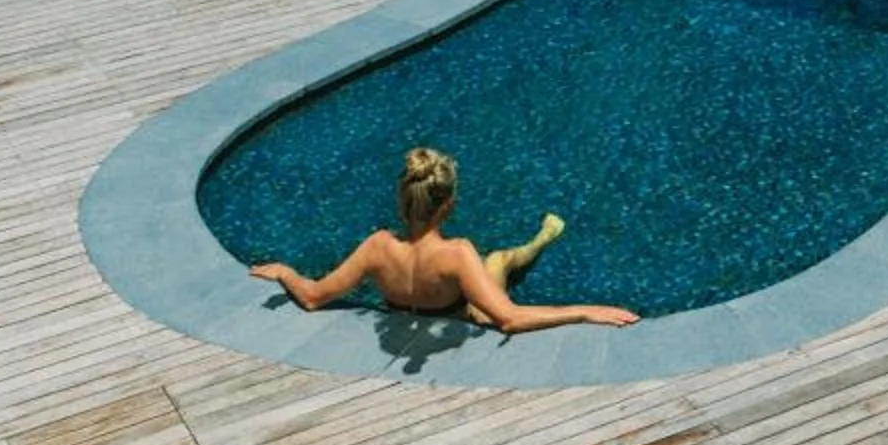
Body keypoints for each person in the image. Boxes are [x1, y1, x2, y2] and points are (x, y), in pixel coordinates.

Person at [250, 146, 640, 334]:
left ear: (403, 200)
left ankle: (539, 239)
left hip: (407, 312)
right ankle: (543, 238)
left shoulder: (377, 247)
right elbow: (508, 319)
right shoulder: (456, 254)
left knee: (491, 266)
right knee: (500, 260)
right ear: (448, 205)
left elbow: (314, 297)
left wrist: (286, 272)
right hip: (465, 317)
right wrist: (584, 310)